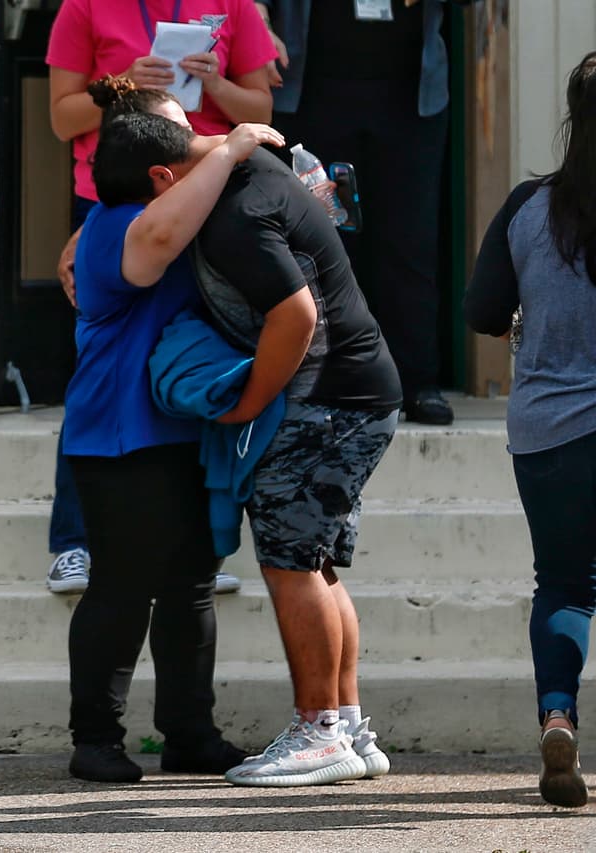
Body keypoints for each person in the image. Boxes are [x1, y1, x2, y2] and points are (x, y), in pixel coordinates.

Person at [133, 82, 401, 786]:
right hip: (359, 393)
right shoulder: (248, 172)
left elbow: (296, 315)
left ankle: (319, 730)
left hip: (328, 401)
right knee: (315, 563)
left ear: (164, 175)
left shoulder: (235, 211)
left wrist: (248, 401)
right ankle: (345, 725)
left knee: (290, 563)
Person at [62, 75, 282, 782]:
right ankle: (95, 738)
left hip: (184, 432)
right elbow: (157, 232)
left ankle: (190, 733)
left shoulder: (170, 208)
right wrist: (235, 143)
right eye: (186, 148)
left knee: (192, 583)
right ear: (155, 170)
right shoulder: (110, 227)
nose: (200, 152)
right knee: (122, 587)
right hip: (116, 436)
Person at [44, 0, 276, 596]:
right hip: (116, 198)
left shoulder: (235, 7)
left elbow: (263, 110)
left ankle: (201, 538)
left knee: (200, 353)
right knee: (101, 362)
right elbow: (62, 119)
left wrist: (214, 82)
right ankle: (75, 542)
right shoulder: (83, 7)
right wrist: (116, 89)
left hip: (205, 194)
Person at [464, 51, 596, 809]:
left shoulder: (526, 205)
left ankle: (557, 712)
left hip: (549, 429)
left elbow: (482, 312)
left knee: (567, 586)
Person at [254, 0, 475, 426]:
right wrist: (259, 20)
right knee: (320, 240)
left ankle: (416, 382)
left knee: (409, 241)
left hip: (410, 100)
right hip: (312, 91)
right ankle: (327, 380)